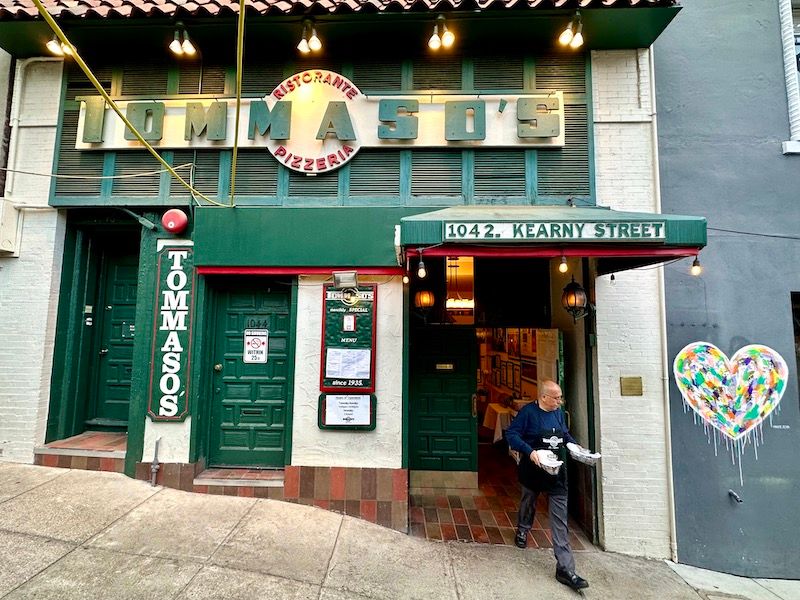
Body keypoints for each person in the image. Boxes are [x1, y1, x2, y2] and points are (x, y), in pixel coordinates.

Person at [505, 379, 589, 591]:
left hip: (557, 473)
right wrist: (530, 452)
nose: (560, 402)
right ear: (543, 397)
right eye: (556, 398)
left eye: (560, 397)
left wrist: (573, 445)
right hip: (533, 470)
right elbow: (512, 434)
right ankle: (523, 530)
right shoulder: (528, 413)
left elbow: (564, 433)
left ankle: (565, 568)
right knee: (528, 502)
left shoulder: (558, 413)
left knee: (560, 520)